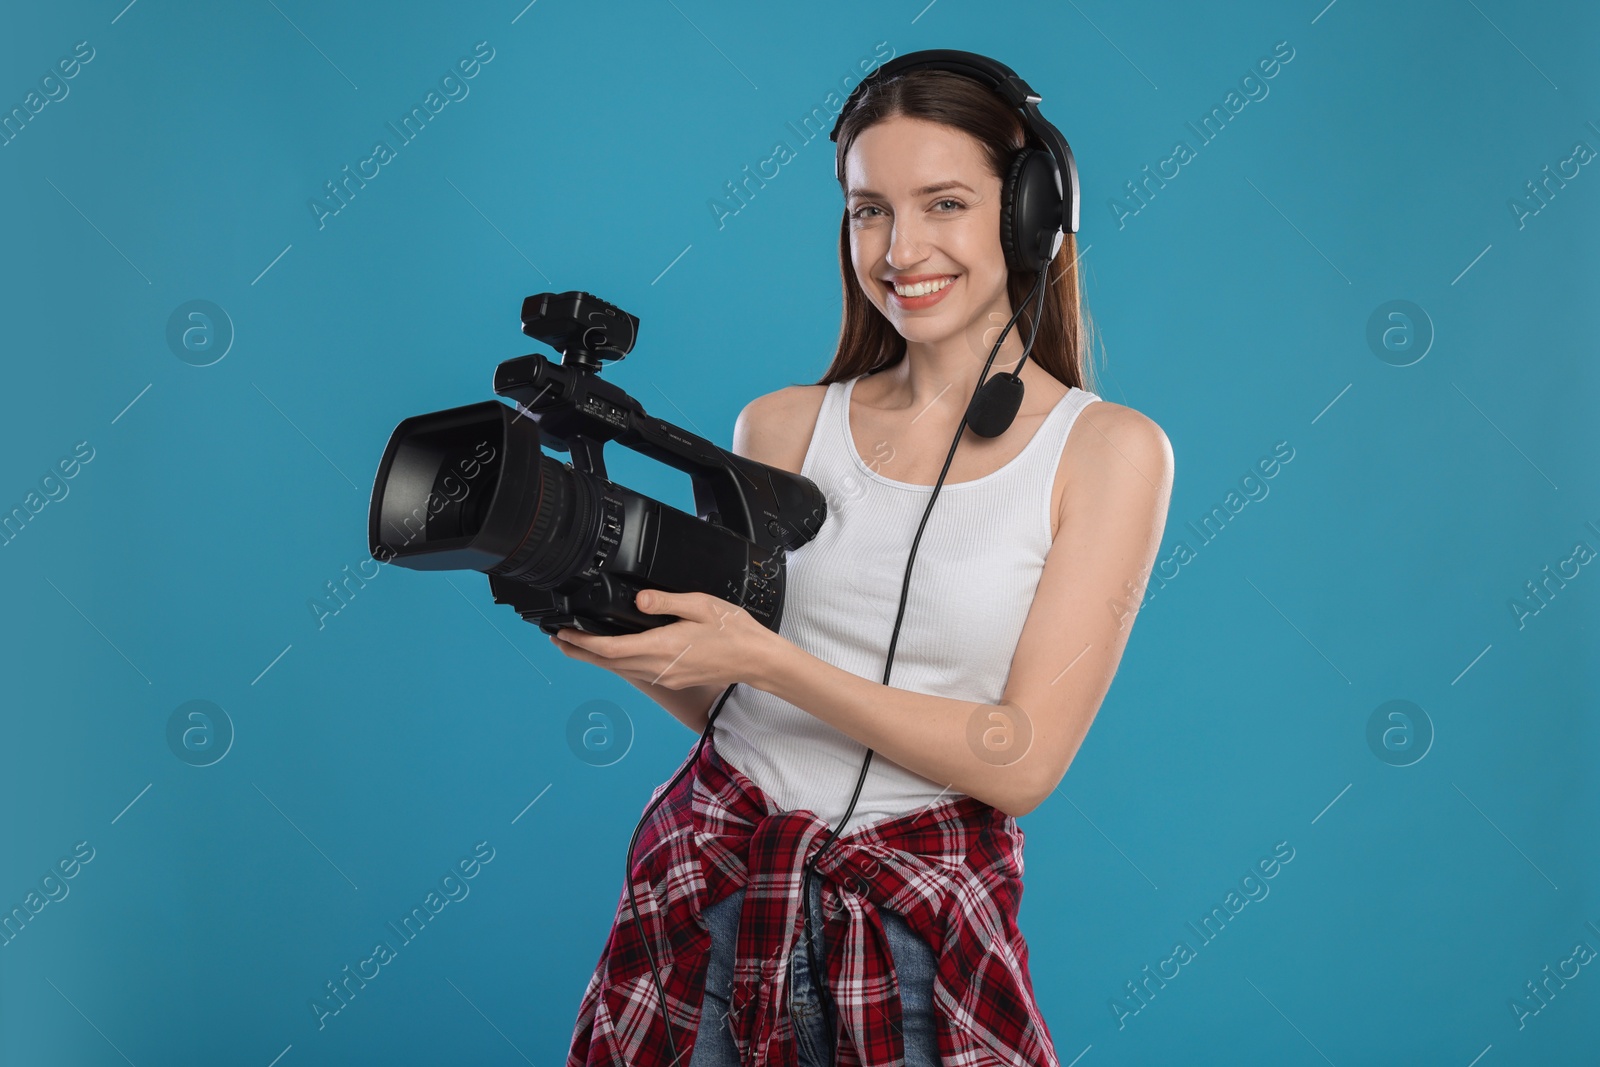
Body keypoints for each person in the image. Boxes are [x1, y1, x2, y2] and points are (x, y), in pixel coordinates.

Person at [555, 56, 1173, 1067]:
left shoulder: (1108, 451)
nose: (900, 248)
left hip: (912, 931)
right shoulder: (781, 423)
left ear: (1029, 216)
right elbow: (737, 695)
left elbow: (1020, 759)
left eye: (944, 203)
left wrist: (765, 660)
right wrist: (632, 634)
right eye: (868, 210)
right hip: (710, 891)